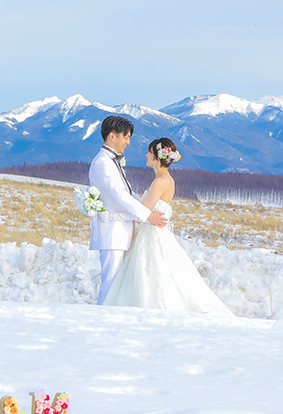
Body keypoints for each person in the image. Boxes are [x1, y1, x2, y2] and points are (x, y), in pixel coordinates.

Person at [102, 138, 234, 315]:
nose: (146, 155)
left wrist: (111, 216)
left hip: (152, 236)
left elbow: (143, 211)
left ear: (157, 157)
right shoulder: (164, 179)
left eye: (149, 152)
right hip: (154, 233)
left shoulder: (160, 181)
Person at [89, 116, 168, 305]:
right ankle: (102, 319)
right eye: (126, 137)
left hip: (122, 231)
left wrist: (144, 205)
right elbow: (118, 195)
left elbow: (128, 192)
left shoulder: (112, 161)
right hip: (112, 233)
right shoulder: (102, 163)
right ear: (112, 136)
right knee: (110, 284)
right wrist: (147, 215)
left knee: (118, 285)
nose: (128, 142)